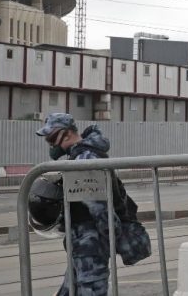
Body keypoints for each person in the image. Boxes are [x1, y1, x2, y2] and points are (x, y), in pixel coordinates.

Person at [35, 113, 119, 296]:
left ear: (66, 134)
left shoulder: (85, 158)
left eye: (51, 138)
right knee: (69, 290)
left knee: (90, 290)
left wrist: (110, 238)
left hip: (91, 242)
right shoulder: (79, 155)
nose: (50, 144)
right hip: (82, 241)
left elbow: (99, 207)